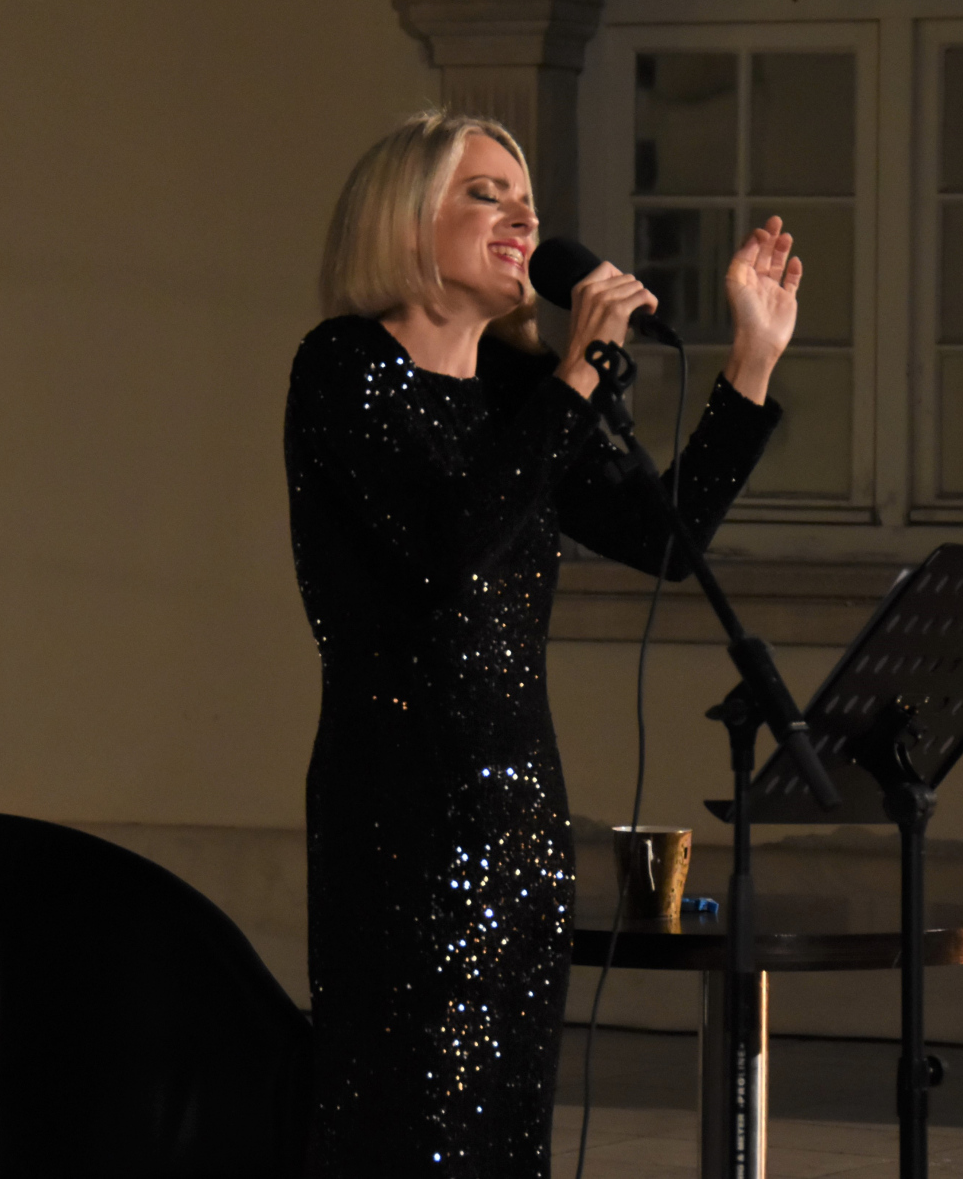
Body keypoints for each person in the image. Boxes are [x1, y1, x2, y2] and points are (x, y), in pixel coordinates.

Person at [284, 108, 802, 1177]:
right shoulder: (345, 366)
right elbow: (450, 547)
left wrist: (751, 361)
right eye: (487, 196)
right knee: (406, 1127)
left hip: (522, 820)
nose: (523, 221)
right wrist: (582, 371)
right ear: (404, 217)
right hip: (400, 815)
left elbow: (665, 541)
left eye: (527, 201)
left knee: (507, 1136)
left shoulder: (521, 392)